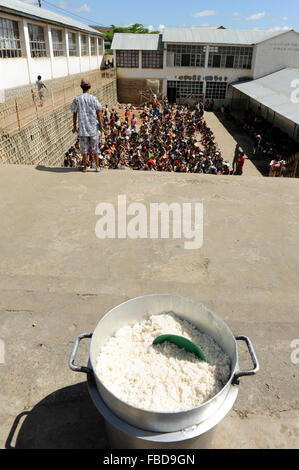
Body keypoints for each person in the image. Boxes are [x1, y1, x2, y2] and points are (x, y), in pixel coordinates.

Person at [70, 78, 105, 173]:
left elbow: (74, 113)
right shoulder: (93, 99)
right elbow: (98, 113)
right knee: (95, 148)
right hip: (93, 129)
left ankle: (85, 167)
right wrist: (101, 127)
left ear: (81, 87)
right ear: (90, 87)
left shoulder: (77, 99)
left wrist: (74, 126)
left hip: (82, 129)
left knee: (84, 149)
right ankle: (97, 167)